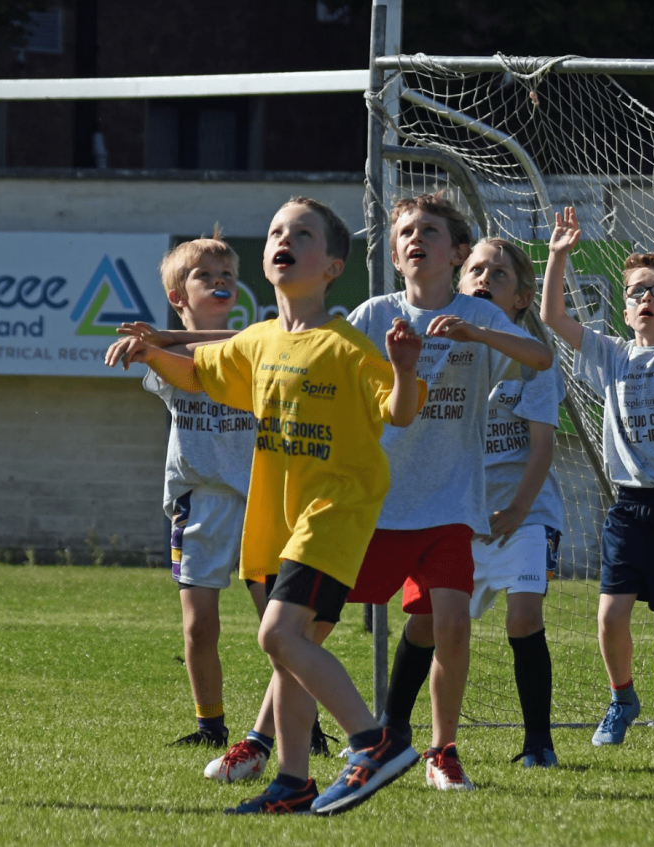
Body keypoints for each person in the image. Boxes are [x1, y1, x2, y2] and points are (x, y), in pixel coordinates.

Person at [107, 196, 426, 816]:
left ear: (333, 266)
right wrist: (152, 354)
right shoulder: (257, 342)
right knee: (290, 645)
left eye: (303, 234)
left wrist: (406, 370)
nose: (285, 239)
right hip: (278, 522)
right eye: (278, 230)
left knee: (278, 635)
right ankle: (292, 782)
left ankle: (375, 740)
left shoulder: (348, 346)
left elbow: (402, 411)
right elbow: (200, 373)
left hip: (336, 511)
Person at [347, 192, 553, 791]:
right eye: (405, 231)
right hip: (381, 503)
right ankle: (280, 738)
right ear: (394, 253)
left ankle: (443, 750)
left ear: (455, 251)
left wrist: (478, 334)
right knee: (314, 624)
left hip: (450, 506)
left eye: (429, 230)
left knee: (452, 627)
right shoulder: (373, 314)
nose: (415, 238)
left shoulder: (479, 316)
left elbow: (539, 356)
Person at [540, 205, 654, 753]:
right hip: (629, 508)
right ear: (624, 309)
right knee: (609, 616)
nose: (648, 299)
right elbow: (553, 316)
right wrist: (557, 255)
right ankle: (623, 698)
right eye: (638, 292)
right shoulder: (611, 356)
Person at [132, 232, 258, 749]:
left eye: (227, 275)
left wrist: (156, 337)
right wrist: (154, 347)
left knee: (283, 628)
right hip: (199, 503)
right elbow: (188, 366)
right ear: (178, 297)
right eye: (205, 276)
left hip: (260, 502)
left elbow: (227, 350)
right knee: (199, 629)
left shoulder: (253, 344)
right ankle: (211, 727)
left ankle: (302, 723)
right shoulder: (166, 360)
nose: (220, 281)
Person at [459, 237, 565, 767]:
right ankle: (400, 736)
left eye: (498, 274)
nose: (483, 278)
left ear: (521, 298)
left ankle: (538, 744)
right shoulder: (447, 351)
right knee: (433, 624)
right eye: (475, 269)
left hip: (526, 512)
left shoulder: (533, 360)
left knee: (523, 618)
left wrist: (518, 512)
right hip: (463, 514)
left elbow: (542, 447)